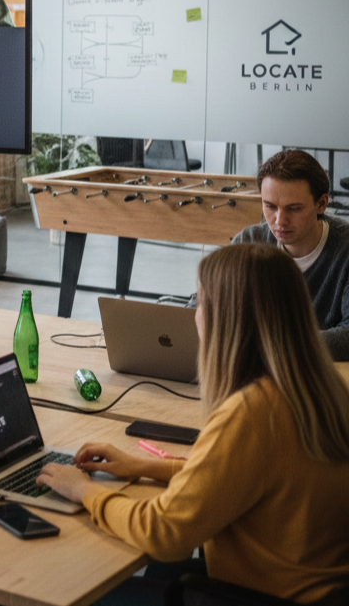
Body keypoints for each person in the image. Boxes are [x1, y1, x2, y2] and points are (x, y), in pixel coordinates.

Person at [37, 243, 349, 605]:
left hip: (264, 595)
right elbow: (246, 475)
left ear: (227, 317)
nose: (195, 316)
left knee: (74, 591)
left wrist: (85, 492)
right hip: (323, 590)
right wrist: (144, 465)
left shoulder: (253, 413)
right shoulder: (321, 389)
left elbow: (164, 533)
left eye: (201, 304)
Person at [233, 149, 349, 361]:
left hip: (324, 383)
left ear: (321, 204)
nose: (279, 221)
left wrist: (271, 346)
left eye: (293, 209)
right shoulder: (247, 242)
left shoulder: (345, 250)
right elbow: (203, 304)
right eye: (270, 206)